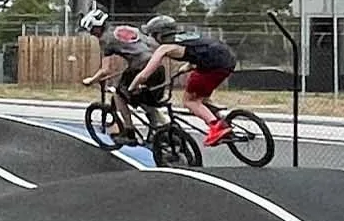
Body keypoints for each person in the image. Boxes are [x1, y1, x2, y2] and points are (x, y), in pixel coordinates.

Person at [131, 16, 238, 145]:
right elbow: (201, 51)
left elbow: (144, 75)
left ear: (159, 35)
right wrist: (187, 66)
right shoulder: (187, 35)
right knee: (200, 93)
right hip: (228, 60)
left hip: (213, 67)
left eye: (152, 35)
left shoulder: (165, 47)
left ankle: (216, 126)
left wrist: (133, 86)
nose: (151, 39)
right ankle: (219, 117)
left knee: (189, 101)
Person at [78, 8, 161, 144]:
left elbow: (105, 70)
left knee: (118, 95)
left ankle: (129, 133)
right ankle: (159, 130)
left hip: (140, 67)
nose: (93, 34)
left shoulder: (105, 40)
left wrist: (91, 80)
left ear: (98, 27)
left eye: (92, 30)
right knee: (147, 100)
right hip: (157, 66)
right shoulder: (127, 29)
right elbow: (148, 46)